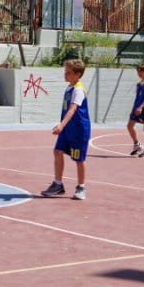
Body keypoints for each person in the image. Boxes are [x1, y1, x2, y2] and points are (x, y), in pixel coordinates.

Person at [41, 59, 90, 200]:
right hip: (67, 128)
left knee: (79, 159)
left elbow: (73, 109)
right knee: (57, 151)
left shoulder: (78, 90)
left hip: (78, 129)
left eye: (68, 72)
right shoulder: (70, 87)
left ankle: (81, 187)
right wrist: (63, 126)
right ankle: (58, 184)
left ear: (77, 74)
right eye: (65, 71)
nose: (65, 74)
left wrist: (61, 125)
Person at [127, 65, 144, 158]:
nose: (138, 73)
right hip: (138, 107)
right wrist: (133, 109)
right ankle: (137, 145)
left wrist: (141, 107)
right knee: (130, 126)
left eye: (140, 71)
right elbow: (137, 98)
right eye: (137, 72)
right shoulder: (138, 83)